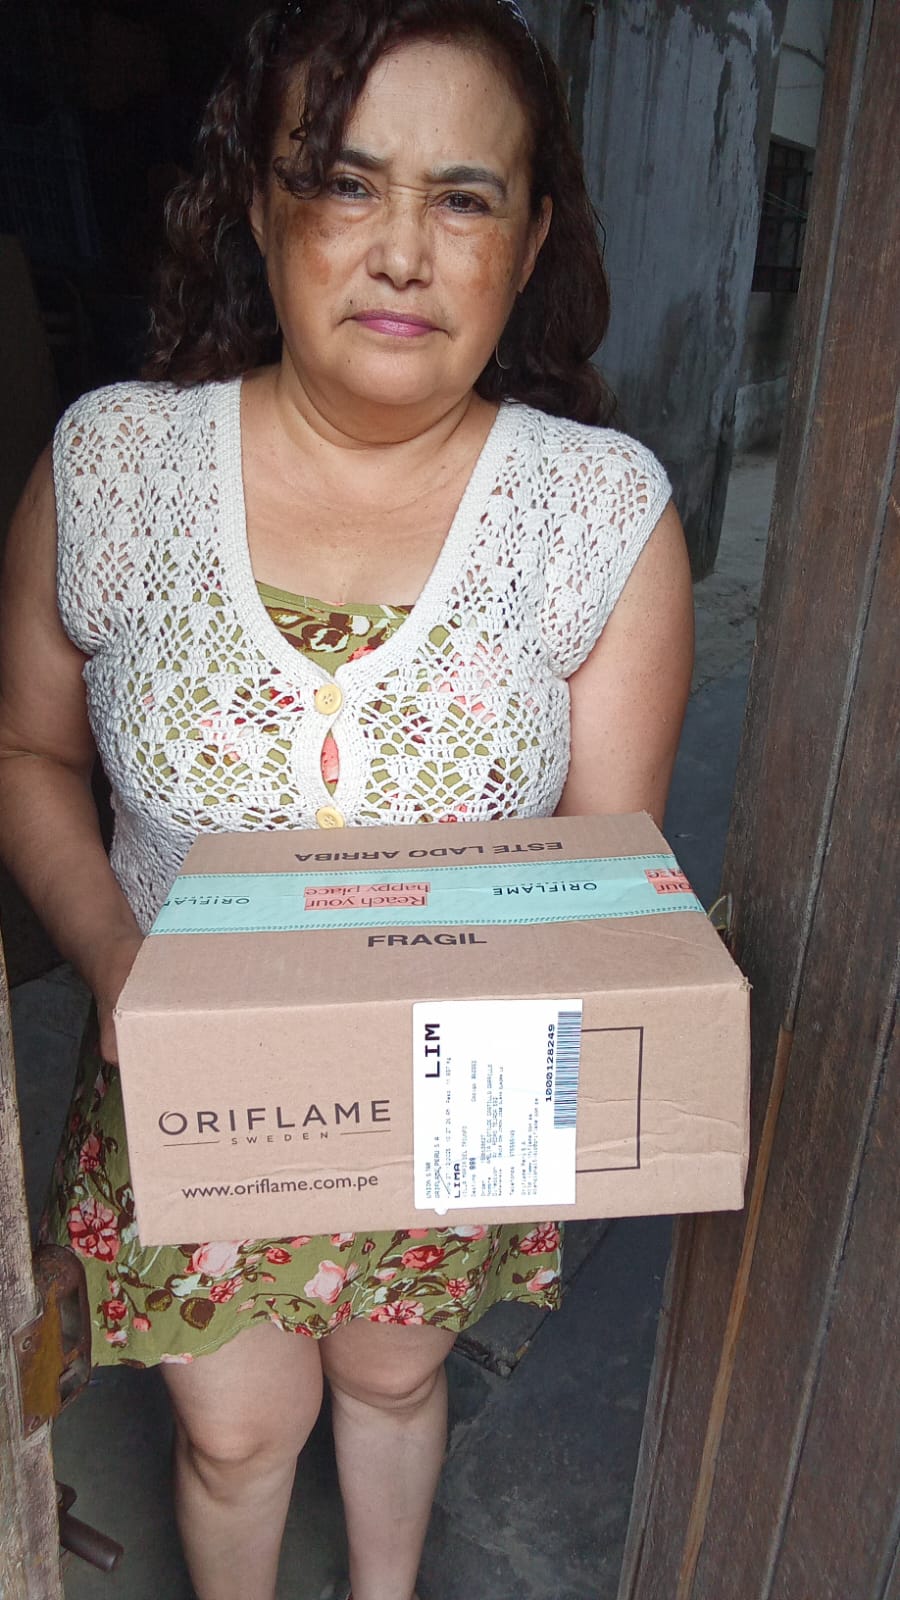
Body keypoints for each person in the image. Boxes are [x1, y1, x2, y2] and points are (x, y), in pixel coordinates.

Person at [0, 2, 694, 1596]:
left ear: (530, 243)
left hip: (455, 1094)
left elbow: (605, 880)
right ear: (260, 209)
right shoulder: (115, 469)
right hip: (186, 1081)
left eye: (463, 197)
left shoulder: (596, 517)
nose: (400, 250)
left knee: (390, 1378)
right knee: (237, 1436)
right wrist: (118, 961)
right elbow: (29, 755)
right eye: (343, 181)